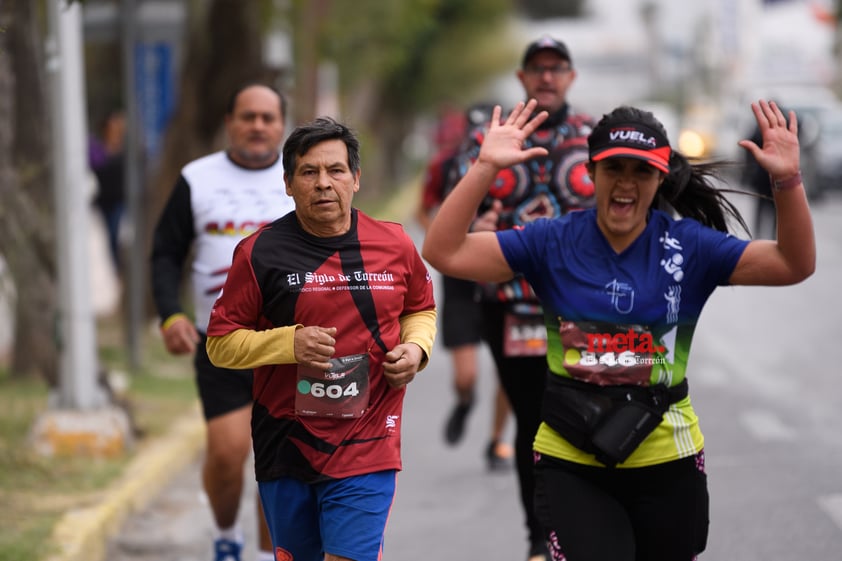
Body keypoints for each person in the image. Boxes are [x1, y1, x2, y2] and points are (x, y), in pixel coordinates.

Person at [422, 98, 815, 561]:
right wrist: (486, 166)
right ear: (591, 172)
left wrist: (788, 180)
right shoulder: (552, 241)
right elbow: (444, 251)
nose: (626, 184)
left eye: (641, 172)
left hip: (668, 460)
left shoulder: (688, 247)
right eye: (614, 169)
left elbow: (794, 263)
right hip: (571, 459)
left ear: (660, 178)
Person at [204, 116, 437, 561]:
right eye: (309, 173)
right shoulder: (259, 254)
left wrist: (417, 348)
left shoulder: (394, 244)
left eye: (335, 171)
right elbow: (220, 343)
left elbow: (419, 308)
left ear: (356, 179)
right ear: (289, 184)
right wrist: (287, 344)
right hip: (287, 443)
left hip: (369, 440)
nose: (323, 183)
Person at [441, 36, 597, 561]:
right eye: (538, 69)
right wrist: (474, 216)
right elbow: (450, 210)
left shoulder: (594, 137)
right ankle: (540, 538)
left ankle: (588, 529)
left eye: (557, 68)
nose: (547, 77)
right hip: (508, 303)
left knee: (585, 417)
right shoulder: (490, 137)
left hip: (581, 304)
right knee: (534, 420)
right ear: (522, 77)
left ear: (571, 77)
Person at [150, 83, 293, 561]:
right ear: (230, 122)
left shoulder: (303, 176)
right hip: (222, 341)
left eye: (267, 118)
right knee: (230, 454)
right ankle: (226, 534)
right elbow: (166, 253)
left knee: (281, 461)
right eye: (247, 116)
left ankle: (270, 552)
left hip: (290, 344)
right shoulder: (198, 178)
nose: (257, 126)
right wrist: (170, 313)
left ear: (281, 124)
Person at [414, 103, 513, 470]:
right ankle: (465, 401)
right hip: (460, 275)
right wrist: (448, 237)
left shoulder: (524, 161)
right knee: (466, 375)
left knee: (510, 369)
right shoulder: (445, 165)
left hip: (506, 274)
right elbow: (424, 212)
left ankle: (496, 441)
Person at [89, 108, 127, 272]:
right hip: (104, 202)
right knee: (107, 240)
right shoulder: (98, 150)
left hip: (120, 202)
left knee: (117, 239)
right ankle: (114, 271)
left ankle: (118, 270)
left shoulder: (126, 152)